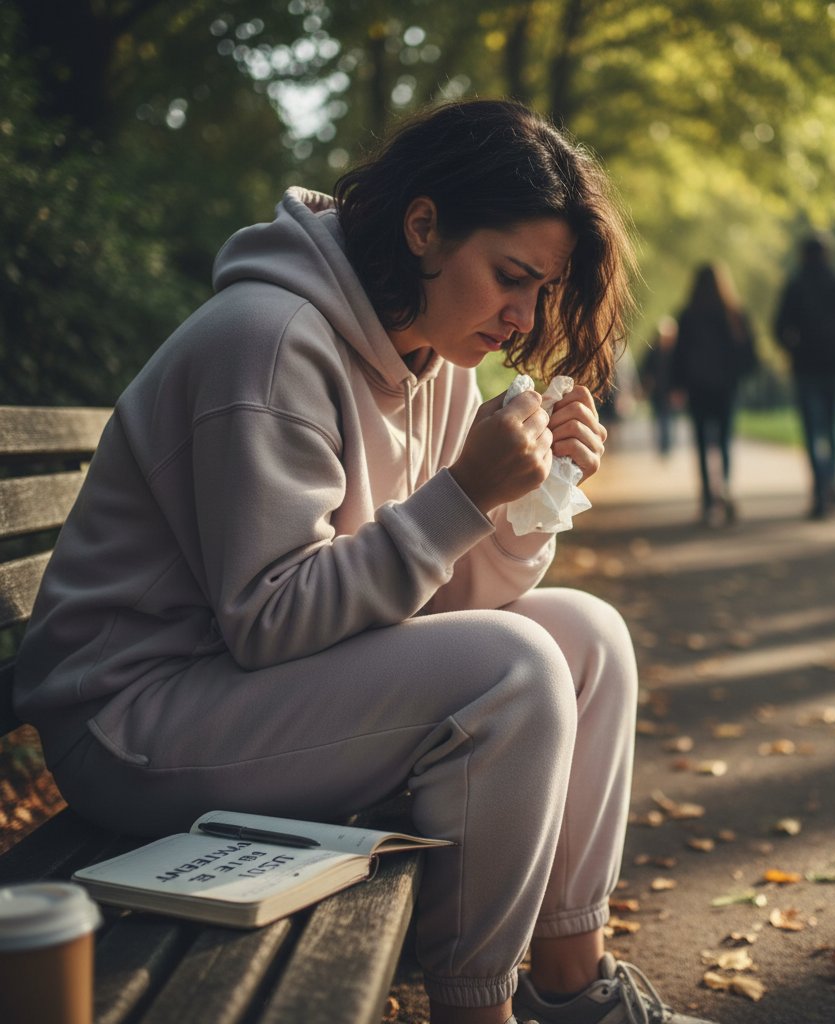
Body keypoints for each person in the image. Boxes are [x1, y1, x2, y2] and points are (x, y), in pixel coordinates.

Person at [14, 100, 718, 1024]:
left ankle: (573, 992)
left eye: (541, 291)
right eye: (512, 278)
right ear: (423, 226)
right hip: (136, 722)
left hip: (247, 694)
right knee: (517, 669)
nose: (523, 317)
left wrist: (526, 498)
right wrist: (462, 495)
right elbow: (270, 621)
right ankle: (479, 1011)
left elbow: (445, 598)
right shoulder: (265, 344)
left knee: (587, 635)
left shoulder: (434, 360)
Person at [773, 232, 835, 519]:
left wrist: (793, 347)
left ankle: (820, 490)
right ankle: (831, 483)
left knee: (812, 432)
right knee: (832, 429)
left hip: (805, 368)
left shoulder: (795, 287)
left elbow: (779, 327)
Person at [671, 262, 757, 525]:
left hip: (697, 388)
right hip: (726, 388)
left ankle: (708, 500)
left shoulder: (687, 315)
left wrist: (677, 385)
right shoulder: (734, 314)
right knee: (724, 441)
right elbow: (749, 353)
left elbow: (679, 356)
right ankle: (727, 488)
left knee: (701, 444)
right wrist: (738, 375)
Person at [640, 316, 680, 458]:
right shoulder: (653, 351)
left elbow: (680, 373)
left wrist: (678, 391)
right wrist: (645, 387)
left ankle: (666, 445)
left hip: (670, 392)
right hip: (656, 392)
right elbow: (646, 370)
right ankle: (662, 444)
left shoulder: (676, 353)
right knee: (658, 418)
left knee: (668, 418)